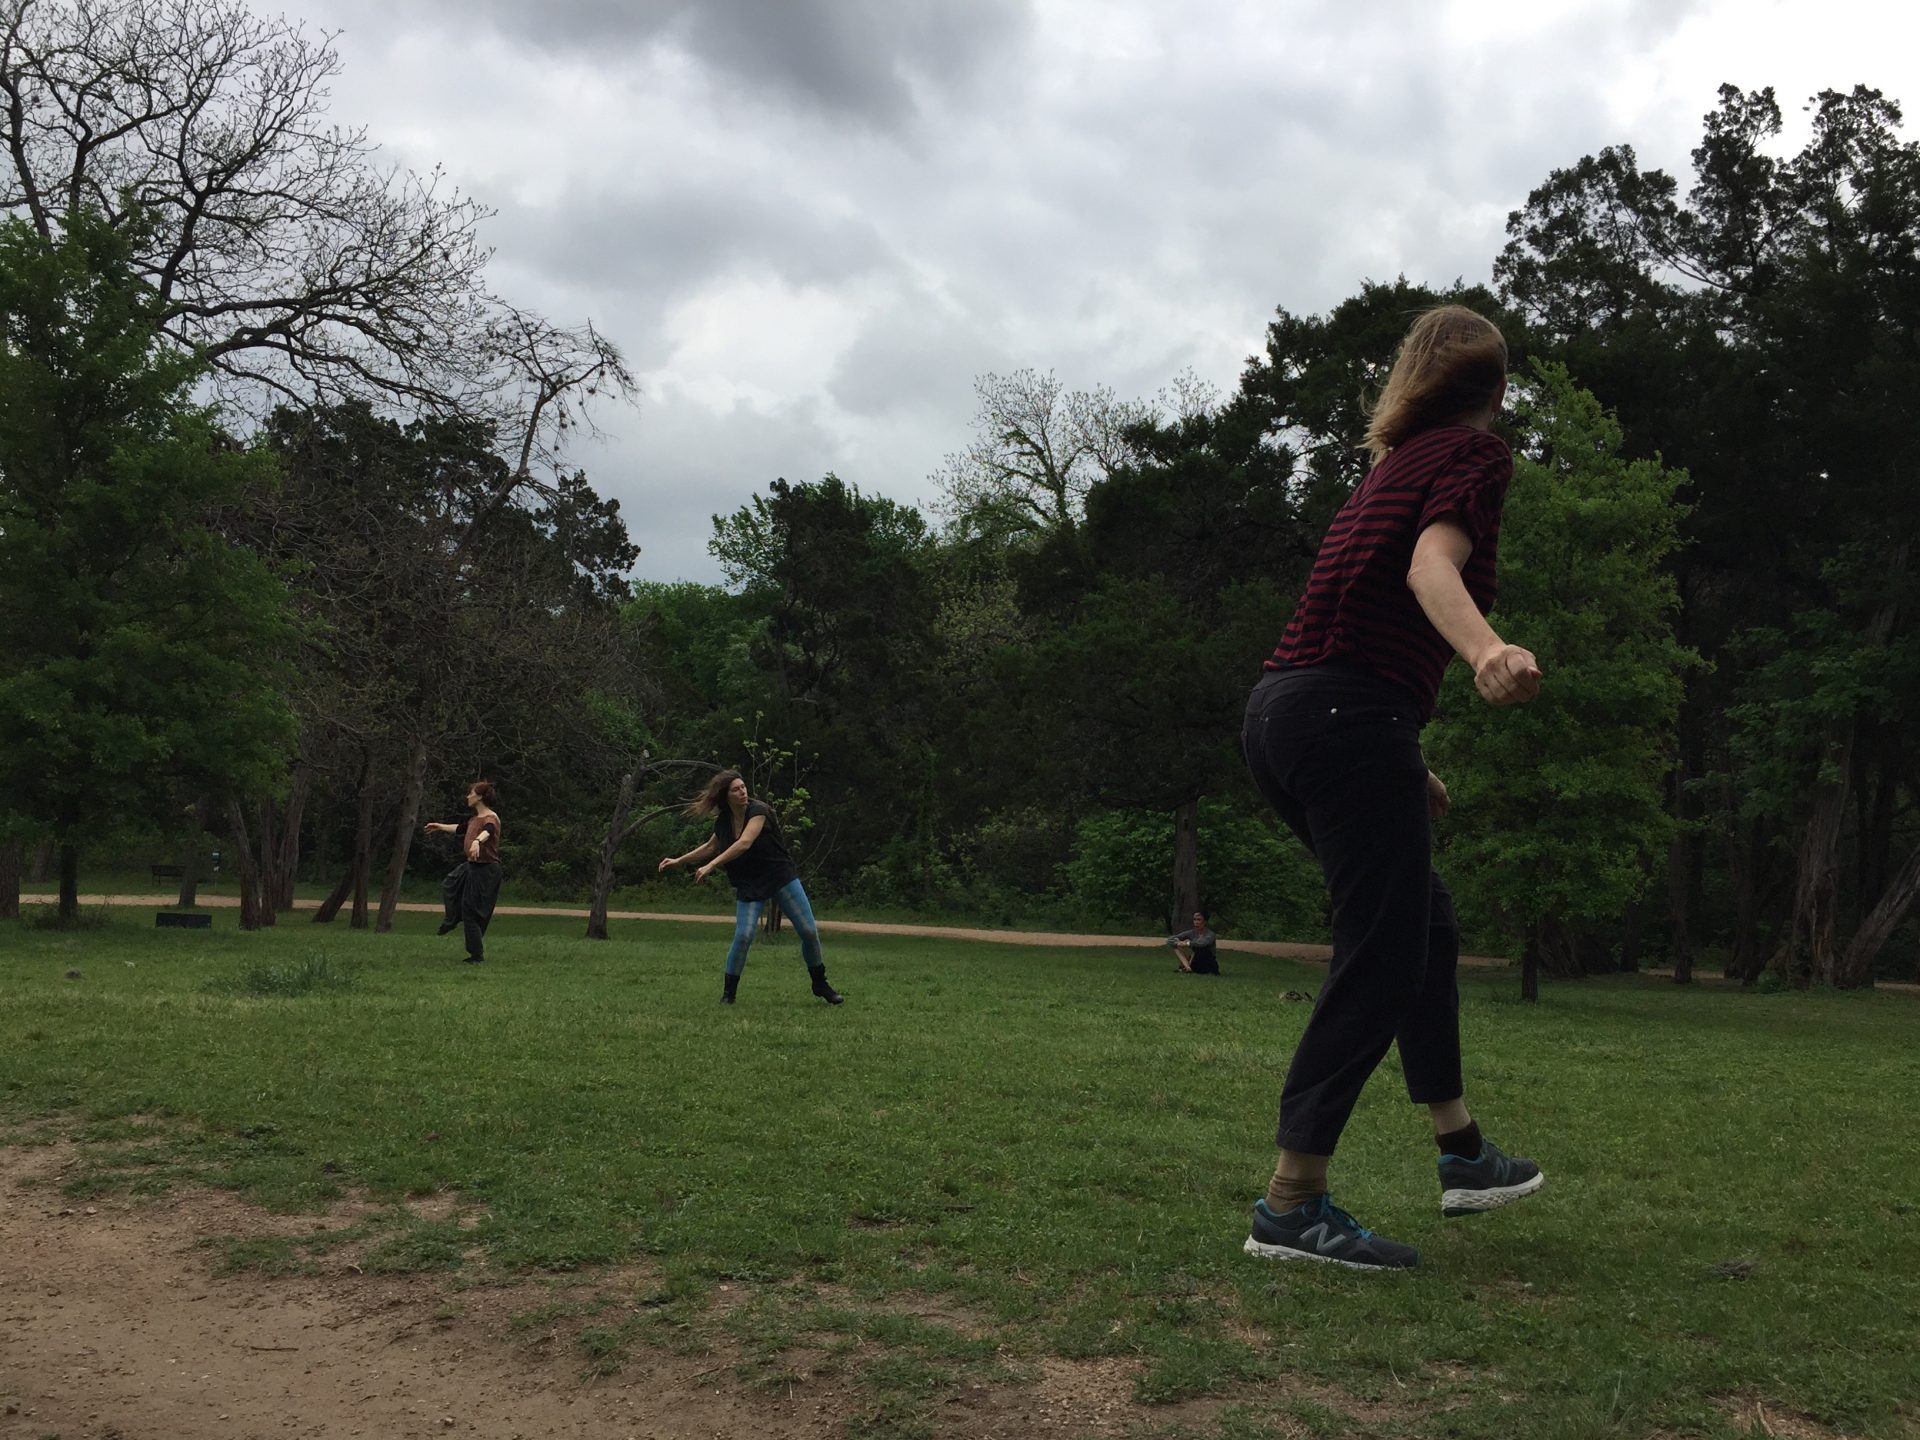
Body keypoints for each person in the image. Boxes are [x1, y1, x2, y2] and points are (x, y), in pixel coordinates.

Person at [1238, 305, 1544, 1272]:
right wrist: (1488, 650)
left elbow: (1348, 613)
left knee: (1427, 930)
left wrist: (1403, 757)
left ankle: (1463, 1154)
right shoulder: (1473, 458)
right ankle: (1292, 1204)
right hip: (1344, 718)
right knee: (1378, 955)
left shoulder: (1387, 466)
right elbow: (1428, 568)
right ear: (1496, 391)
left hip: (1287, 714)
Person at [658, 770, 844, 1007]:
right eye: (736, 789)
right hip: (749, 882)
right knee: (744, 935)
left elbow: (744, 843)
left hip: (779, 876)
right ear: (726, 796)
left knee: (808, 931)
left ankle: (820, 984)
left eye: (743, 787)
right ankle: (729, 994)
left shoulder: (759, 811)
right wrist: (678, 860)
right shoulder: (723, 821)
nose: (743, 792)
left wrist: (712, 865)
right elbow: (710, 846)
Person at [423, 780, 503, 965]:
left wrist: (477, 841)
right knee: (450, 884)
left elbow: (488, 831)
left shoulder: (491, 818)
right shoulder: (474, 819)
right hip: (471, 866)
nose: (468, 796)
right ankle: (452, 919)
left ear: (480, 797)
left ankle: (476, 955)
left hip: (486, 869)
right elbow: (461, 829)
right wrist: (440, 826)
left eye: (471, 793)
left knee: (471, 912)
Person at [1168, 910, 1221, 974]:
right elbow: (1170, 939)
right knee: (1176, 944)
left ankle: (1187, 968)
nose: (1196, 922)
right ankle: (1187, 968)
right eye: (1194, 919)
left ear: (1204, 922)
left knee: (1197, 946)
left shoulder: (1210, 934)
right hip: (1195, 962)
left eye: (1199, 920)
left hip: (1208, 962)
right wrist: (1177, 942)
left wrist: (1187, 943)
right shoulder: (1191, 933)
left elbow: (1203, 943)